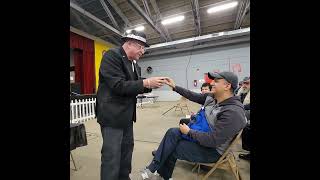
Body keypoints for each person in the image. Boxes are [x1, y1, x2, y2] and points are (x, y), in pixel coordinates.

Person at [140, 71, 247, 180]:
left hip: (213, 150)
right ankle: (155, 170)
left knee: (172, 148)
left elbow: (213, 140)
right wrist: (174, 87)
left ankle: (160, 174)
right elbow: (192, 95)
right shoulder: (213, 98)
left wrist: (189, 132)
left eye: (216, 81)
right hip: (204, 138)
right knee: (172, 132)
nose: (212, 83)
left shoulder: (232, 112)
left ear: (227, 86)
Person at [96, 30, 167, 180]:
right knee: (112, 156)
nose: (143, 51)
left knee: (126, 152)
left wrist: (152, 84)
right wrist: (146, 82)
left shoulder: (134, 64)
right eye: (141, 47)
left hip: (127, 117)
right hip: (112, 117)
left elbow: (135, 83)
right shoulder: (112, 56)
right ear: (129, 44)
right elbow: (118, 85)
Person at [236, 77, 251, 161]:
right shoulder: (241, 92)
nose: (244, 85)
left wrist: (240, 107)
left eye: (247, 83)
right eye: (244, 83)